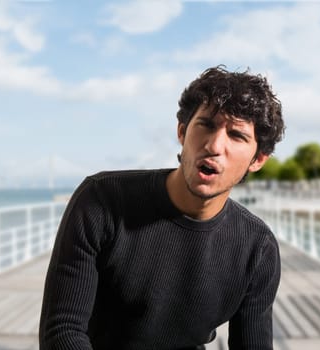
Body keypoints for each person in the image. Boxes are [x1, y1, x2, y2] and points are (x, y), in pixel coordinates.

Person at [39, 65, 285, 349]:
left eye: (237, 136)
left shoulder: (257, 247)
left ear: (257, 160)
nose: (215, 145)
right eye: (206, 124)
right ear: (182, 131)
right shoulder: (102, 201)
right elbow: (62, 331)